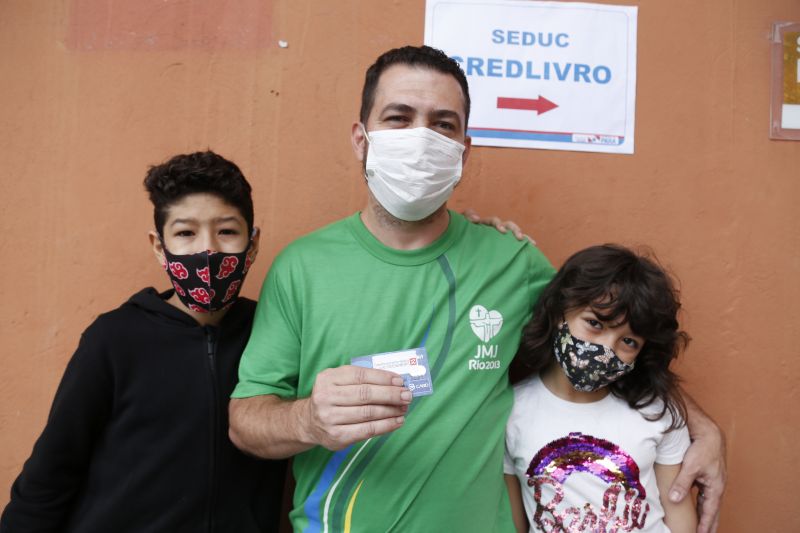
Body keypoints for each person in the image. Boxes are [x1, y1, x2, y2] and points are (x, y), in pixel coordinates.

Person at [228, 45, 726, 532]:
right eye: (399, 118)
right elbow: (245, 421)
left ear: (464, 150)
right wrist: (308, 422)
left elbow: (605, 340)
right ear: (361, 138)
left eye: (443, 124)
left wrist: (699, 427)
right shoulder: (301, 266)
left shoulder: (512, 260)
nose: (422, 138)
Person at [1, 151, 286, 532]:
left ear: (252, 244)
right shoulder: (115, 338)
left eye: (227, 231)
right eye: (185, 233)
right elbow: (51, 473)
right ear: (158, 245)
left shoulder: (273, 332)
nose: (209, 250)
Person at [504, 245, 697, 532]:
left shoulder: (656, 411)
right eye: (594, 323)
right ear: (560, 312)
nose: (606, 349)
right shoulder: (511, 411)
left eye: (629, 341)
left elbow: (680, 516)